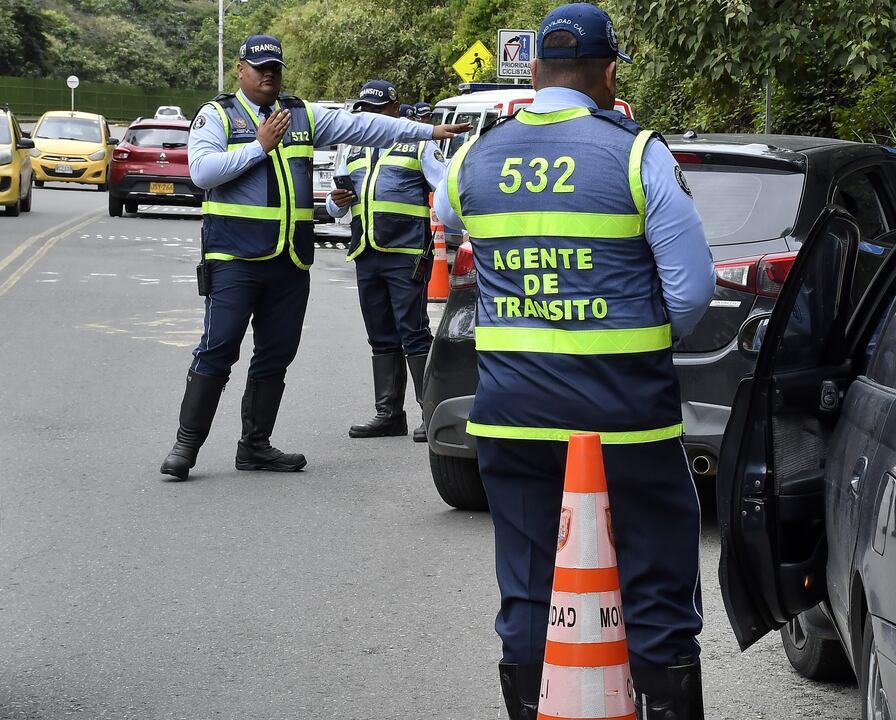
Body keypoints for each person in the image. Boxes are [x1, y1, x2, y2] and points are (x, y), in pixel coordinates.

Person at [433, 5, 714, 719]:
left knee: (529, 589)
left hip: (514, 417)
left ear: (533, 71)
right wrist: (633, 339)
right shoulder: (635, 153)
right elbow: (691, 290)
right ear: (609, 73)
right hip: (626, 421)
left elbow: (447, 215)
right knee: (656, 589)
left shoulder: (475, 159)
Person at [159, 35, 468, 481]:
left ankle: (256, 446)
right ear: (241, 70)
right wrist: (259, 146)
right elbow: (202, 172)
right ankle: (185, 447)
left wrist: (428, 131)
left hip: (289, 261)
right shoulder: (218, 114)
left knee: (275, 355)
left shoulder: (301, 114)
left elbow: (367, 127)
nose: (269, 74)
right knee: (218, 350)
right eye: (260, 67)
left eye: (275, 68)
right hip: (235, 257)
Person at [324, 80, 445, 440]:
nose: (373, 116)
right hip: (366, 253)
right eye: (367, 109)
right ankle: (389, 414)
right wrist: (337, 201)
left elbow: (447, 187)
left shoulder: (419, 142)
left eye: (379, 109)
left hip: (406, 253)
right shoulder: (353, 147)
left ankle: (430, 413)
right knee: (380, 336)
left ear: (395, 109)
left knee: (413, 333)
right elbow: (334, 208)